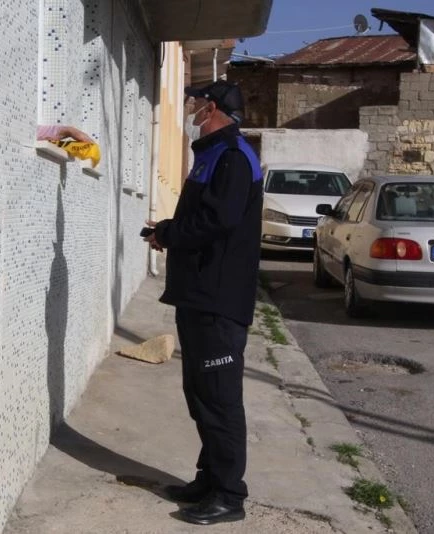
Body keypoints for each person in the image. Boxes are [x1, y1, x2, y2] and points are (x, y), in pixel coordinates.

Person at [143, 80, 263, 526]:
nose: (191, 108)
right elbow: (203, 217)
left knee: (220, 399)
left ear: (212, 108)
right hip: (199, 295)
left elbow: (218, 221)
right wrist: (169, 231)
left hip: (218, 300)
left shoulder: (233, 155)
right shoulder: (214, 153)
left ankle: (229, 495)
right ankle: (209, 479)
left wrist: (171, 234)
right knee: (200, 395)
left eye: (197, 102)